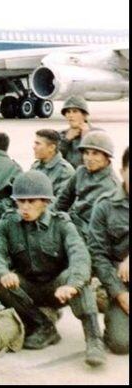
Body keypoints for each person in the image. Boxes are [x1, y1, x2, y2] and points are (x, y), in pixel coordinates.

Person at [0, 170, 105, 367]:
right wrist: (3, 272)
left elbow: (80, 255)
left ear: (45, 202)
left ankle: (94, 339)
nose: (24, 207)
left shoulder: (62, 224)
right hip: (26, 289)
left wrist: (73, 284)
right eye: (20, 201)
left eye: (31, 201)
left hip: (57, 288)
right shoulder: (7, 223)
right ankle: (42, 325)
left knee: (77, 277)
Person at [87, 146, 129, 355]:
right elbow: (97, 254)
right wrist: (120, 294)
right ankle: (108, 298)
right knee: (121, 344)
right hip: (120, 284)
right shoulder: (105, 206)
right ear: (122, 172)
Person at [55, 130, 120, 242]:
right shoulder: (81, 171)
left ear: (107, 157)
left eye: (95, 153)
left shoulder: (111, 187)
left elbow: (103, 229)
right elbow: (63, 201)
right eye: (86, 153)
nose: (89, 158)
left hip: (89, 236)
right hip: (71, 225)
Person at [31, 129, 76, 195]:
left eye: (38, 144)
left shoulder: (65, 171)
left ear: (51, 148)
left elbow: (62, 201)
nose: (34, 147)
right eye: (35, 143)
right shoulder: (35, 166)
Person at [59, 96, 96, 169]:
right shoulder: (60, 135)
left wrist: (86, 138)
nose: (70, 115)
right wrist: (66, 141)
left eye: (75, 111)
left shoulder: (97, 134)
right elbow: (52, 159)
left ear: (84, 115)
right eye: (68, 112)